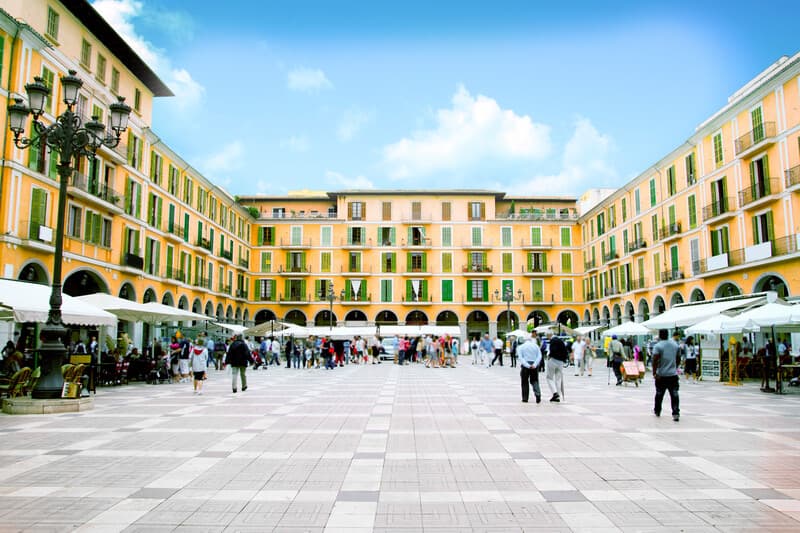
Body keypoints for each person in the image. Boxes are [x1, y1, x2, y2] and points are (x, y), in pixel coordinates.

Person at [653, 329, 680, 421]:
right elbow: (678, 357)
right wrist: (675, 367)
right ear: (668, 334)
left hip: (661, 374)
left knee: (659, 393)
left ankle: (657, 410)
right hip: (673, 374)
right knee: (674, 393)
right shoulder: (675, 345)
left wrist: (654, 372)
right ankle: (676, 412)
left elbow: (655, 360)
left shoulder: (658, 346)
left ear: (660, 335)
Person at [518, 336, 543, 403]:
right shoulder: (536, 346)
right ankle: (538, 394)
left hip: (526, 365)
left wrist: (527, 365)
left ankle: (525, 398)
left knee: (524, 382)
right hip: (534, 365)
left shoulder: (521, 347)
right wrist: (534, 364)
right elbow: (539, 356)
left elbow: (520, 358)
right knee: (534, 380)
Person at [545, 333, 568, 402]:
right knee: (558, 379)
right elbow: (565, 352)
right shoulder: (561, 341)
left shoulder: (553, 341)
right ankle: (558, 395)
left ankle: (555, 393)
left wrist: (549, 356)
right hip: (560, 362)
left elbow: (552, 350)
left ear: (550, 335)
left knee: (549, 377)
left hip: (553, 360)